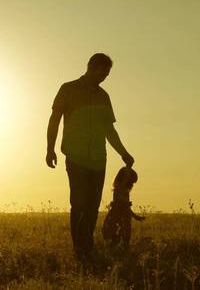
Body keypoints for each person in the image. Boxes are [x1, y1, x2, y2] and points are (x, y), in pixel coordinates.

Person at [45, 53, 134, 263]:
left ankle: (88, 247)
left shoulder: (104, 96)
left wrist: (123, 152)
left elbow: (109, 130)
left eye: (107, 74)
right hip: (75, 158)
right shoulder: (68, 89)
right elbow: (54, 120)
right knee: (79, 204)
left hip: (98, 159)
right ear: (91, 67)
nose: (104, 77)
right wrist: (50, 149)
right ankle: (80, 250)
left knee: (93, 206)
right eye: (102, 72)